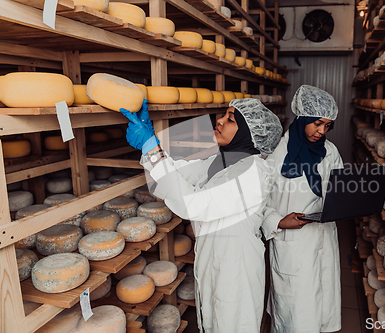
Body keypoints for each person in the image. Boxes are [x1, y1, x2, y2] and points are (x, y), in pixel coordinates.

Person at [120, 98, 283, 333]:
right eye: (224, 115)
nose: (220, 120)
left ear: (249, 133)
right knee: (214, 321)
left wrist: (152, 149)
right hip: (216, 258)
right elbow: (179, 174)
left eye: (230, 118)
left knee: (233, 325)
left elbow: (193, 204)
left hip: (235, 266)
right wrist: (152, 147)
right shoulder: (223, 160)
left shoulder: (252, 172)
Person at [262, 85, 343, 333]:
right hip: (291, 243)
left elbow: (340, 189)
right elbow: (256, 201)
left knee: (320, 306)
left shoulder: (330, 152)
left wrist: (348, 202)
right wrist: (277, 221)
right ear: (303, 118)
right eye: (317, 123)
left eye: (327, 125)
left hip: (323, 238)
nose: (322, 131)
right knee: (293, 315)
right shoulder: (276, 153)